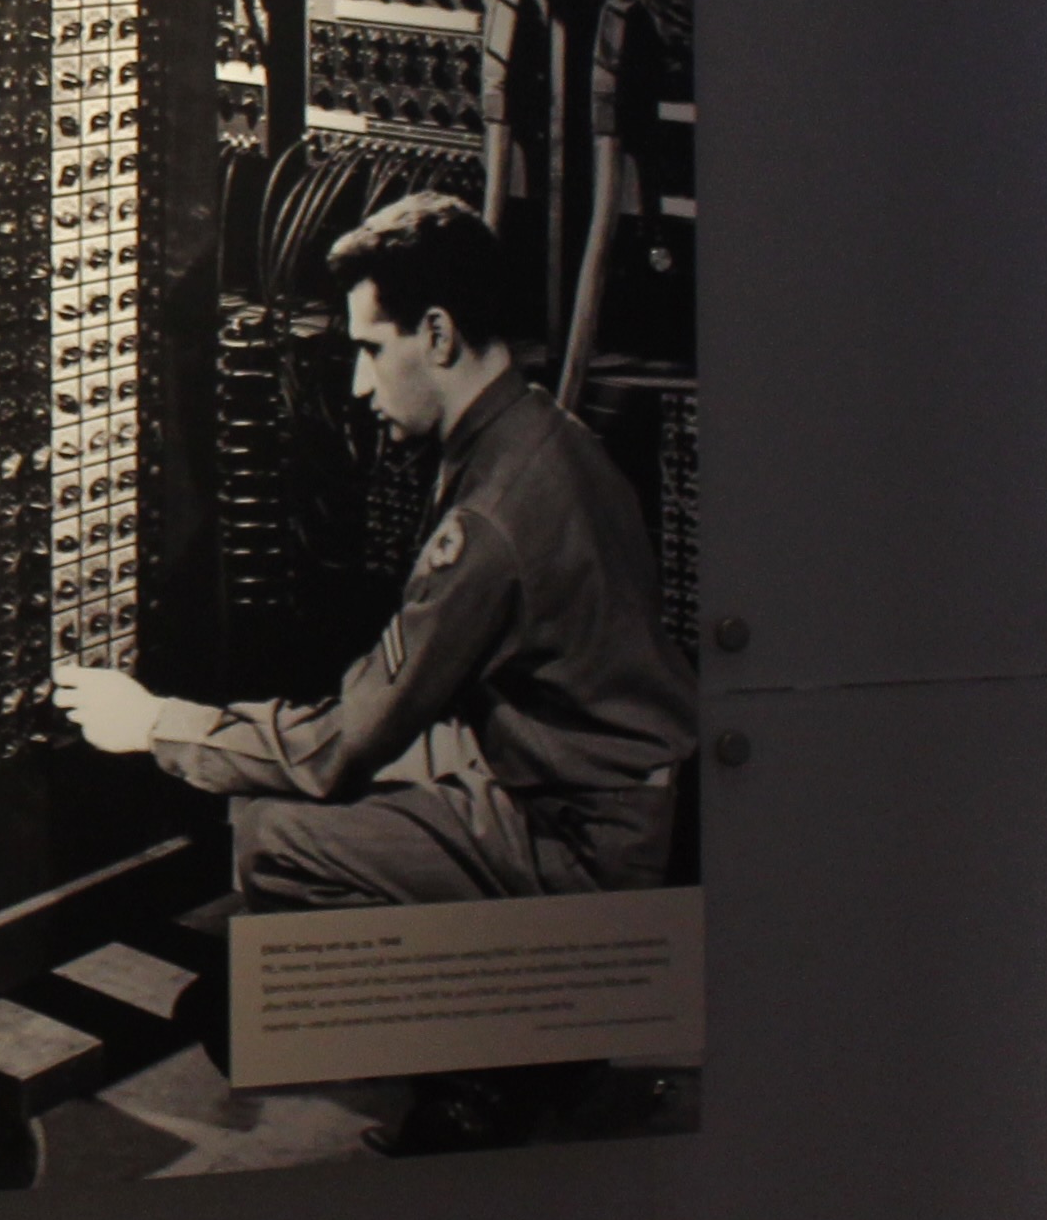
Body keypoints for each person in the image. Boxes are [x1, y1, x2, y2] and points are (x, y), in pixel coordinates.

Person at [52, 192, 695, 908]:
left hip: (583, 842)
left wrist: (155, 725)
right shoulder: (547, 432)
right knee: (326, 780)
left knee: (273, 836)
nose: (359, 385)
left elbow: (343, 747)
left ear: (439, 335)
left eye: (372, 349)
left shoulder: (490, 518)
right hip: (625, 798)